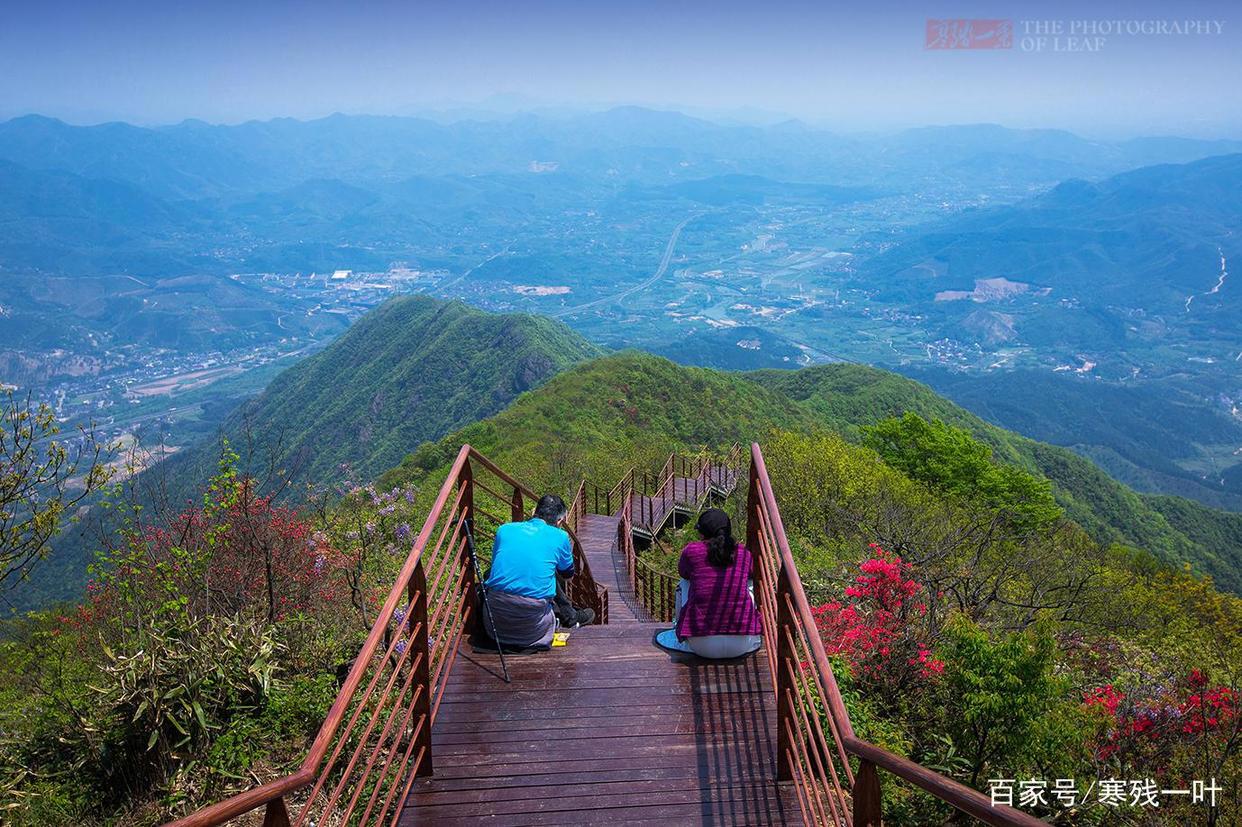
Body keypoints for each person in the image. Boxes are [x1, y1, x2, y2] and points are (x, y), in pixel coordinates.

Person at [478, 494, 595, 650]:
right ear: (560, 521)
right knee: (550, 572)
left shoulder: (504, 530)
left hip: (494, 626)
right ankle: (569, 616)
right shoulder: (560, 536)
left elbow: (495, 568)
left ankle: (569, 615)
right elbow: (567, 575)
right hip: (532, 631)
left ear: (534, 511)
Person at [656, 508, 762, 659]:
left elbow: (683, 573)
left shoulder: (692, 550)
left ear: (702, 532)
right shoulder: (743, 553)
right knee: (747, 582)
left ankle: (679, 628)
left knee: (685, 582)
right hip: (742, 643)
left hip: (700, 644)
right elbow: (752, 573)